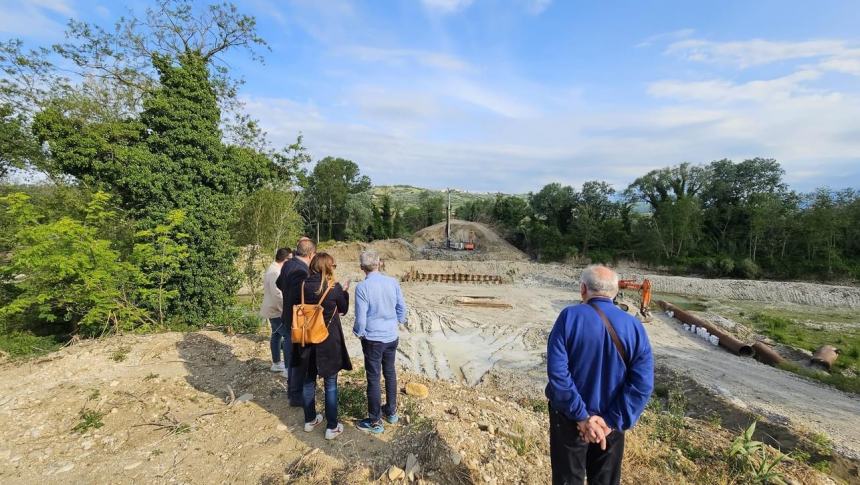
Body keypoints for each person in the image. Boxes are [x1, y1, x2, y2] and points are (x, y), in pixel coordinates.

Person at [545, 265, 654, 485]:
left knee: (568, 479)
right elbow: (642, 384)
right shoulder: (634, 326)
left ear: (583, 289)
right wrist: (610, 421)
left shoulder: (569, 317)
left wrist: (582, 417)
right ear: (615, 293)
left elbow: (558, 375)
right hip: (611, 424)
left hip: (569, 421)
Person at [292, 252, 351, 440]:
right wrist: (345, 292)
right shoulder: (334, 287)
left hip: (306, 339)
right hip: (327, 341)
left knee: (308, 382)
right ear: (327, 267)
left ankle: (310, 420)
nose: (334, 269)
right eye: (333, 266)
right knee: (330, 384)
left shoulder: (302, 285)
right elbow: (343, 309)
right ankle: (331, 427)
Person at [353, 250, 407, 434]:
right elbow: (402, 307)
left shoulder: (362, 288)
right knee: (390, 373)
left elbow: (361, 318)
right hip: (391, 337)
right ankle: (391, 412)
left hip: (373, 339)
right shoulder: (392, 282)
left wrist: (359, 333)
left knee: (374, 379)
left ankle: (375, 421)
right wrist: (397, 322)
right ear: (380, 263)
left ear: (361, 268)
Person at [277, 237, 316, 406]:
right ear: (310, 254)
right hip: (297, 321)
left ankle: (293, 392)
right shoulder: (301, 271)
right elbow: (299, 297)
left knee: (294, 357)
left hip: (287, 316)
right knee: (300, 360)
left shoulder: (288, 264)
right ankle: (296, 396)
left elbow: (279, 283)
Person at [260, 248, 292, 372]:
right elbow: (277, 294)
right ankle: (288, 369)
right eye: (290, 259)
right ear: (285, 259)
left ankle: (276, 362)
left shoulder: (273, 269)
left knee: (276, 335)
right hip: (276, 310)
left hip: (272, 308)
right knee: (288, 336)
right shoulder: (275, 272)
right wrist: (285, 310)